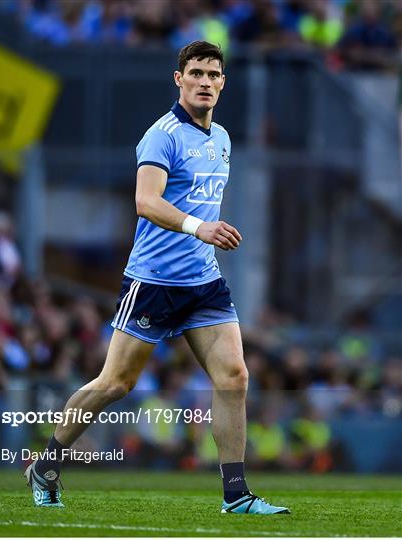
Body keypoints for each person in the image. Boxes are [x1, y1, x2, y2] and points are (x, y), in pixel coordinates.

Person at [25, 40, 289, 515]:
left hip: (204, 282)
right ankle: (45, 464)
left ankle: (237, 496)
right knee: (114, 384)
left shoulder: (222, 138)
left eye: (213, 74)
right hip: (153, 282)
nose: (205, 82)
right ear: (178, 79)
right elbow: (145, 201)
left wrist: (204, 236)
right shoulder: (162, 135)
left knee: (234, 377)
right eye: (196, 74)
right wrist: (198, 227)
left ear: (223, 82)